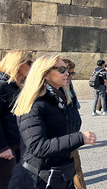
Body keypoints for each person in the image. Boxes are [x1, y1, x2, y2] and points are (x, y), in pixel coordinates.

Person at [7, 53, 96, 189]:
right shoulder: (35, 104)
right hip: (36, 179)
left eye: (67, 69)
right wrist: (80, 138)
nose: (67, 73)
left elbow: (69, 128)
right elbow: (38, 146)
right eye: (61, 70)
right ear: (45, 74)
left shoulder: (63, 99)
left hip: (60, 175)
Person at [0, 50, 32, 189]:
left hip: (17, 144)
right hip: (6, 148)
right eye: (29, 63)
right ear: (17, 64)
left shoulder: (17, 86)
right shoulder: (2, 85)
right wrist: (2, 147)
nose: (32, 66)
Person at [62, 59, 87, 189]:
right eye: (67, 72)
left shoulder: (68, 85)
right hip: (65, 136)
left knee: (75, 167)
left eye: (72, 73)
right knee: (75, 168)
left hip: (71, 133)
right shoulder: (54, 92)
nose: (70, 76)